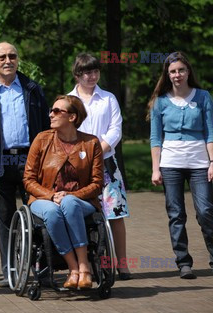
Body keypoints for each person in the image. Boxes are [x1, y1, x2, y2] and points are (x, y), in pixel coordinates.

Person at [0, 42, 50, 287]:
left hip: (31, 162)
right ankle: (11, 271)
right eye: (2, 57)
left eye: (12, 56)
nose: (8, 60)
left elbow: (48, 130)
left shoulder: (33, 89)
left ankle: (41, 270)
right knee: (5, 220)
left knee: (40, 218)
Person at [149, 51, 213, 279]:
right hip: (170, 163)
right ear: (167, 74)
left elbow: (210, 132)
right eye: (173, 71)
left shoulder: (202, 97)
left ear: (188, 71)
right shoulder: (160, 102)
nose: (177, 74)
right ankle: (183, 262)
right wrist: (155, 168)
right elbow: (155, 138)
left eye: (181, 70)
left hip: (200, 163)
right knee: (176, 214)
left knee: (205, 212)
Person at [24, 95, 103, 289]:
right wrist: (51, 195)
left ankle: (85, 266)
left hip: (81, 201)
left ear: (72, 117)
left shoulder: (91, 143)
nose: (51, 114)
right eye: (51, 110)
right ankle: (74, 268)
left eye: (57, 111)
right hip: (44, 198)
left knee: (68, 203)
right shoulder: (42, 139)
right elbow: (28, 180)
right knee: (52, 211)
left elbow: (97, 183)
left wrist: (71, 196)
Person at [68, 53, 131, 280]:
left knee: (115, 214)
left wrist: (97, 150)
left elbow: (116, 129)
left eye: (95, 71)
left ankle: (122, 265)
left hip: (106, 163)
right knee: (81, 214)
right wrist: (81, 154)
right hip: (76, 165)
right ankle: (88, 264)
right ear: (77, 75)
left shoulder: (108, 99)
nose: (92, 76)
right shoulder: (68, 101)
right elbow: (63, 131)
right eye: (87, 72)